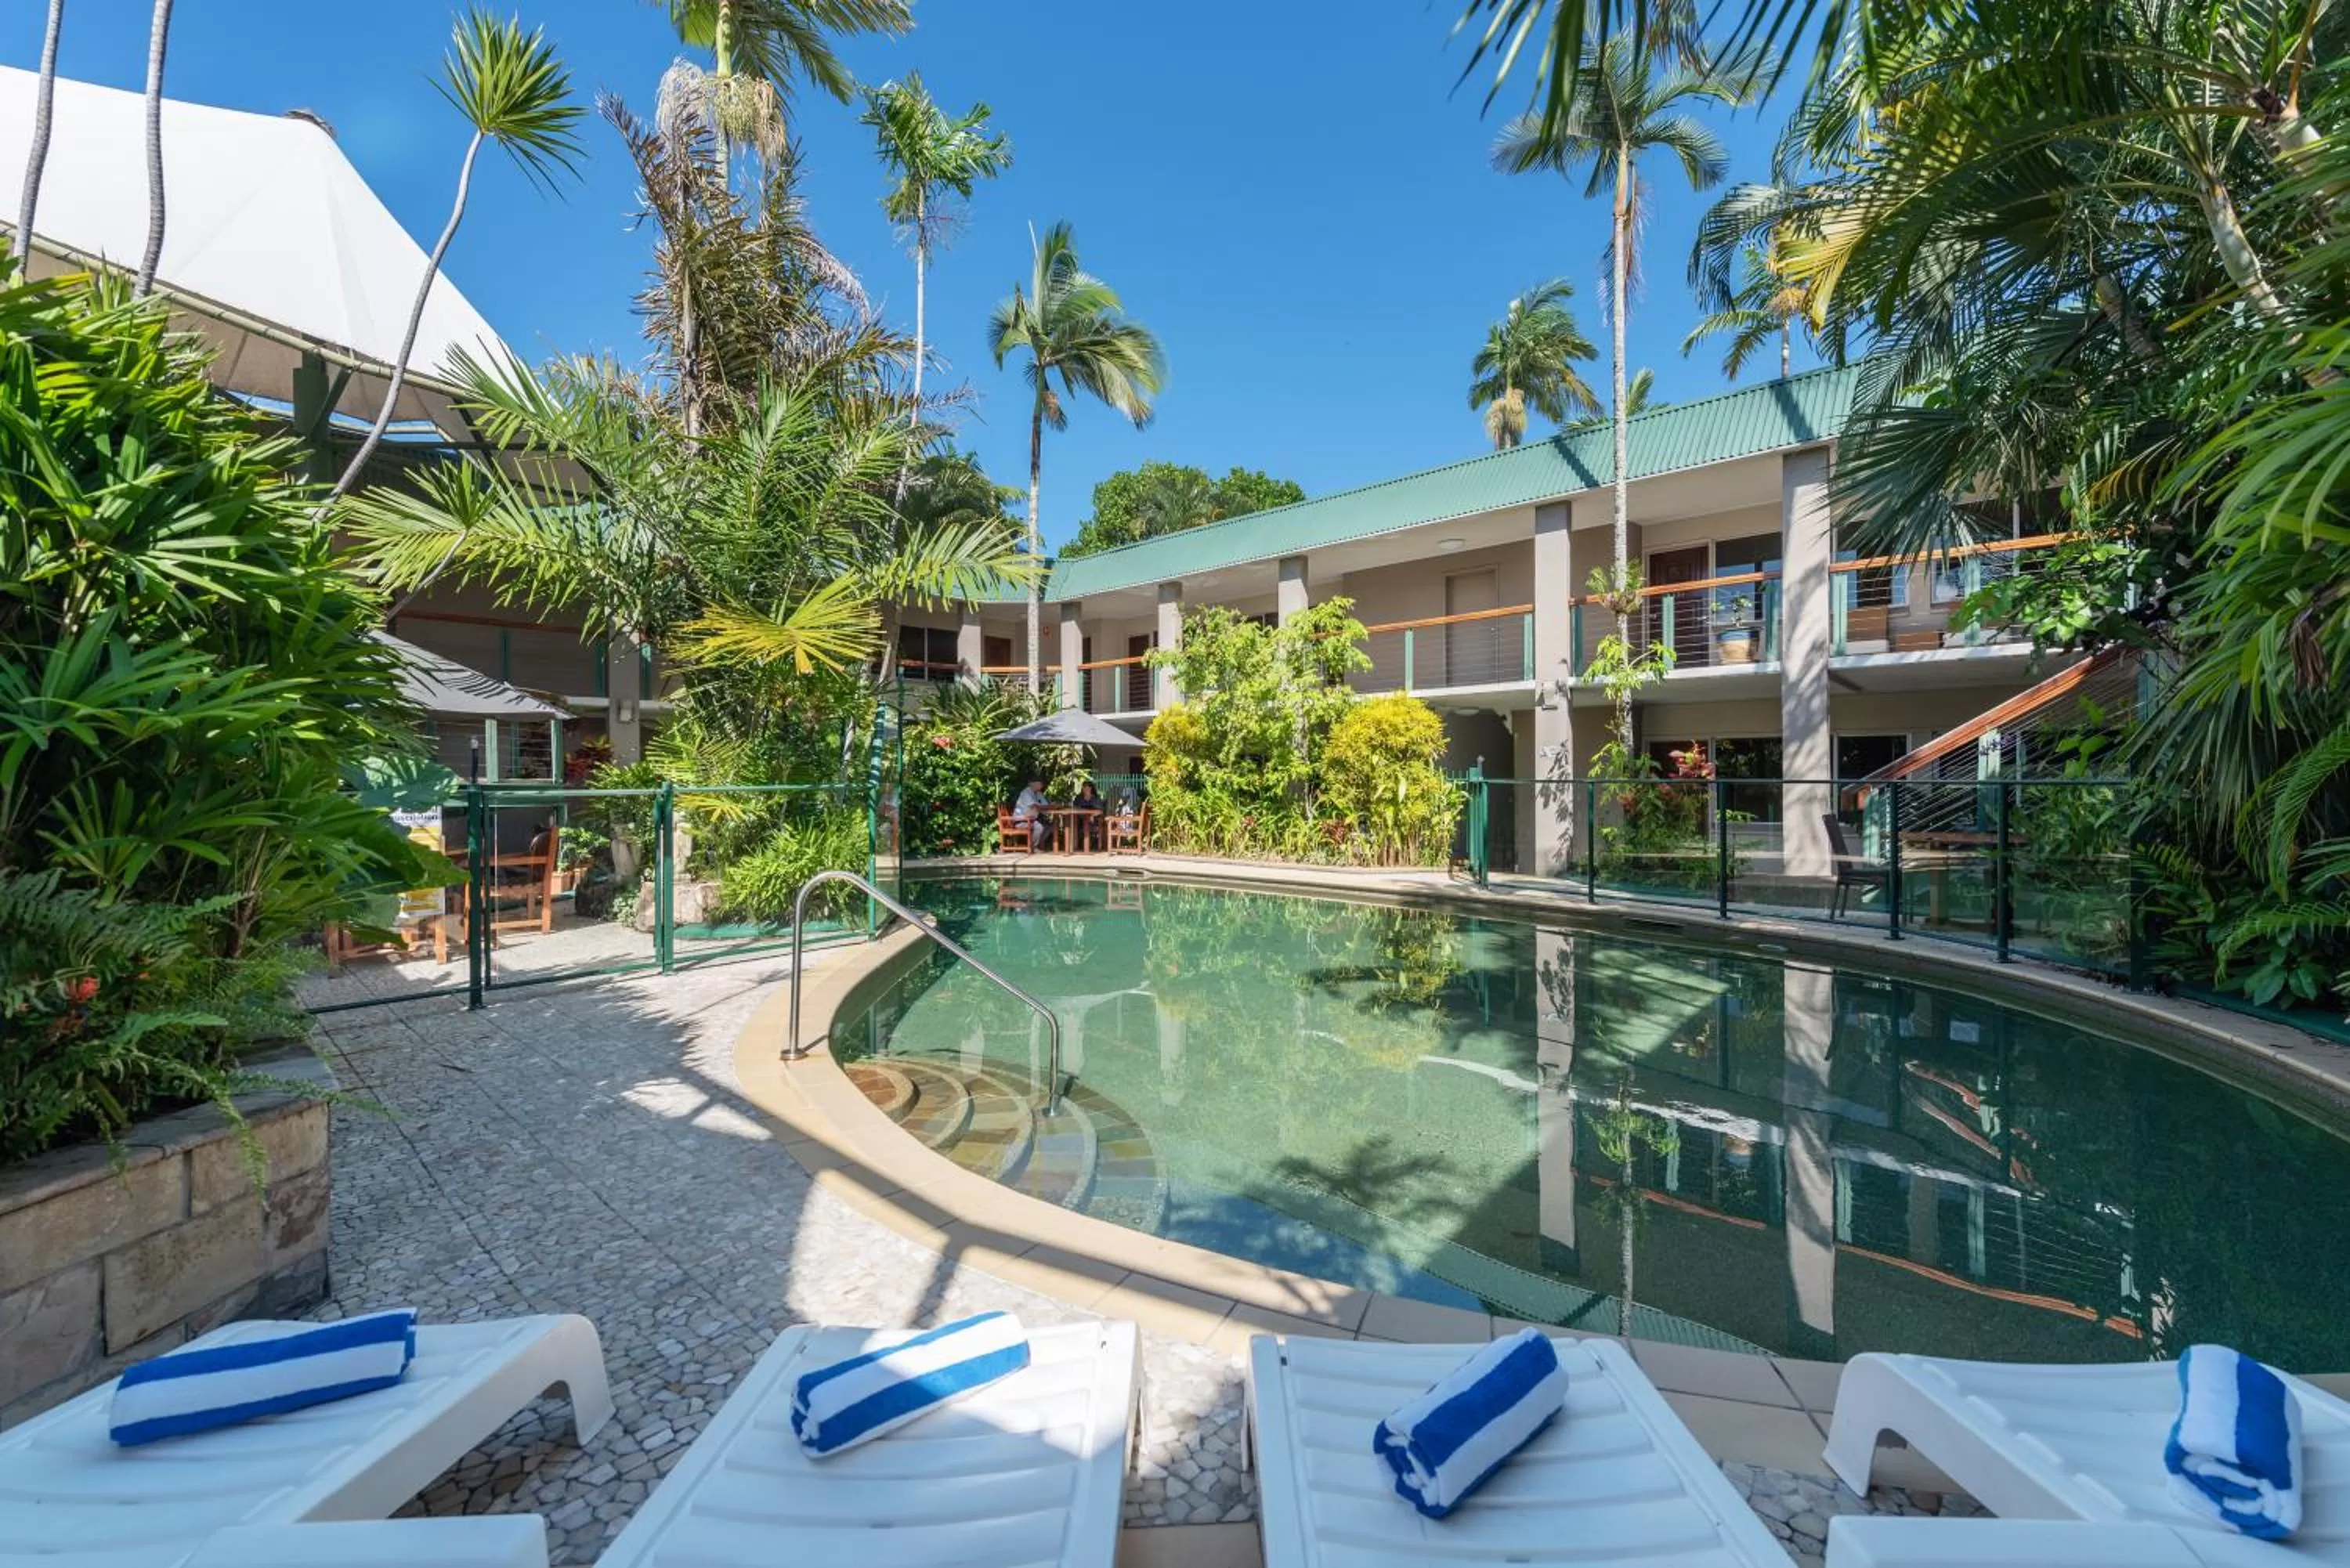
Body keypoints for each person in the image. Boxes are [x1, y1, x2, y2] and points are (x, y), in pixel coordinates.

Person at [1012, 776, 1052, 850]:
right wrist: (1052, 807)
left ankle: (1036, 845)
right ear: (1032, 784)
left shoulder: (1038, 793)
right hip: (1021, 821)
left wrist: (1051, 806)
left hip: (1032, 819)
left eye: (1041, 783)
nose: (1041, 785)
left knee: (1049, 827)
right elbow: (1035, 806)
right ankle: (1033, 846)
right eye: (1039, 783)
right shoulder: (1025, 793)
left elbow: (1045, 805)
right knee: (1039, 827)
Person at [1069, 779, 1105, 852]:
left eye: (1087, 788)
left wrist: (1092, 815)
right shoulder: (1079, 798)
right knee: (1073, 822)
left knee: (1088, 822)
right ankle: (1074, 846)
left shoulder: (1096, 798)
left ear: (1091, 788)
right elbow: (1074, 807)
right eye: (1084, 788)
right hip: (1079, 819)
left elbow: (1100, 811)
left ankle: (1087, 846)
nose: (1085, 789)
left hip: (1094, 820)